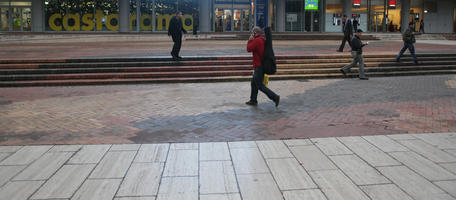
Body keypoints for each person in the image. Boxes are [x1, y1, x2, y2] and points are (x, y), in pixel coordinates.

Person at [245, 26, 280, 107]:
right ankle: (253, 100)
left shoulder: (257, 40)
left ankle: (274, 97)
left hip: (259, 66)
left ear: (255, 33)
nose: (251, 34)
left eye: (252, 33)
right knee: (254, 83)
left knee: (259, 85)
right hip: (261, 65)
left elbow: (248, 49)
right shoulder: (263, 39)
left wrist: (250, 40)